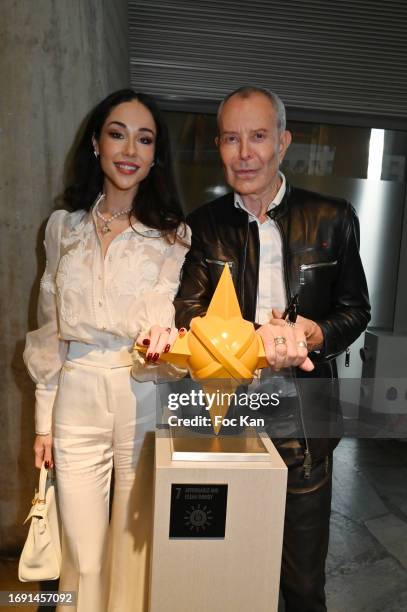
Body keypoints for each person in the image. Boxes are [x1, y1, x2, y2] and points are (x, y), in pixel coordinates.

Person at [174, 86, 370, 612]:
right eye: (232, 139)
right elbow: (187, 314)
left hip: (303, 421)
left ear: (283, 142)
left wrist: (313, 334)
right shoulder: (204, 225)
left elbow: (355, 310)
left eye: (258, 137)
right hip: (223, 414)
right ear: (218, 145)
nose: (245, 153)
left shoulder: (332, 218)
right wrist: (249, 339)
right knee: (223, 571)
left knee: (303, 586)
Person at [23, 89, 190, 612]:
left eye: (145, 139)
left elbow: (171, 331)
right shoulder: (61, 229)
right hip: (76, 392)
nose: (129, 149)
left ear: (156, 155)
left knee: (134, 547)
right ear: (96, 142)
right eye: (118, 133)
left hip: (142, 394)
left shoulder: (173, 238)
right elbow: (49, 329)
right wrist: (42, 423)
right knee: (85, 551)